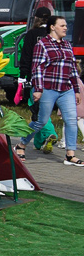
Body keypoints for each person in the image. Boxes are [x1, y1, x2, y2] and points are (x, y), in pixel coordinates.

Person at [17, 16, 83, 166]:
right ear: (52, 27)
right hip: (48, 88)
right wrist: (38, 89)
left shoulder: (67, 45)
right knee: (41, 121)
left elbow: (72, 69)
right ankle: (21, 144)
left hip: (66, 89)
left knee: (71, 120)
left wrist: (76, 89)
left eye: (66, 25)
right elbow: (37, 68)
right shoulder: (43, 44)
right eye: (62, 25)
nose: (65, 28)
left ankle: (70, 154)